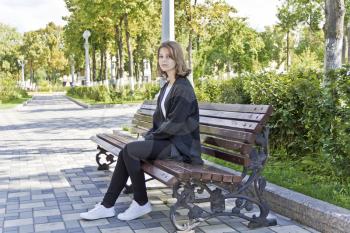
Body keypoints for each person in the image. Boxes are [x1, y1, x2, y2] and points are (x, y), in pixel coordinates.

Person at [80, 41, 203, 221]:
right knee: (127, 152)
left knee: (130, 151)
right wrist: (150, 136)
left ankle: (140, 202)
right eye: (161, 56)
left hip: (181, 148)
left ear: (178, 58)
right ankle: (108, 205)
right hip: (168, 142)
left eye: (169, 56)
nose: (164, 60)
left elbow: (174, 124)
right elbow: (160, 121)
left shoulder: (183, 88)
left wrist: (149, 138)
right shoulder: (168, 85)